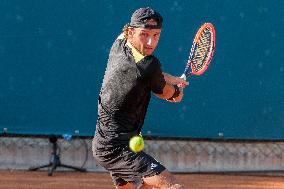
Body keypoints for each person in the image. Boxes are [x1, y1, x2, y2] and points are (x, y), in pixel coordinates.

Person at [92, 7, 188, 189]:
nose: (151, 42)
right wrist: (177, 90)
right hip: (117, 148)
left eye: (156, 35)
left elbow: (148, 74)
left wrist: (173, 79)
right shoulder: (148, 65)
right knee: (173, 185)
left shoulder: (119, 44)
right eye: (144, 34)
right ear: (130, 32)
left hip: (104, 143)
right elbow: (170, 95)